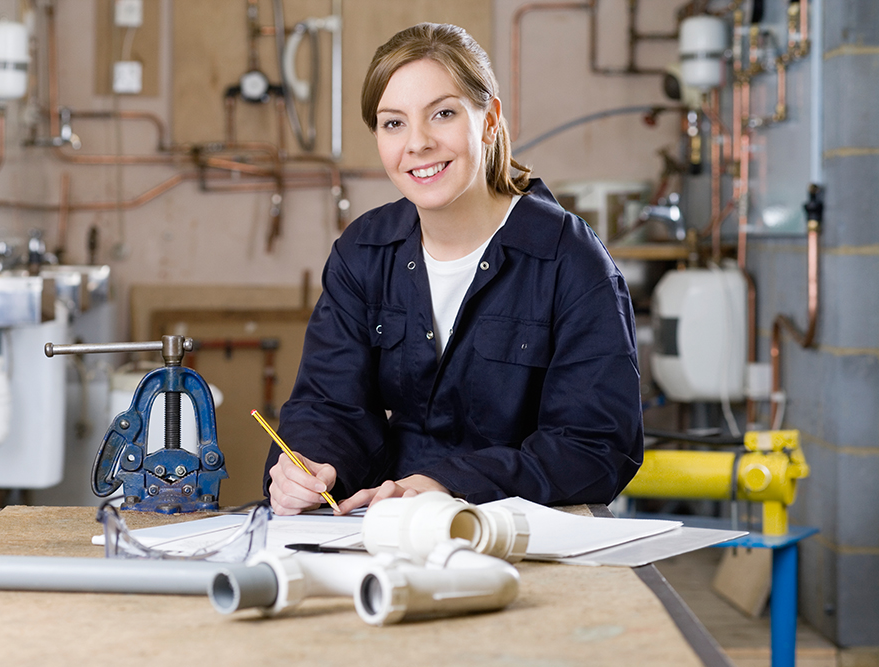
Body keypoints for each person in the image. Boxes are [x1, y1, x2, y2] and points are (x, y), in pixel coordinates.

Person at [264, 22, 642, 515]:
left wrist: (446, 483)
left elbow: (595, 447)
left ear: (489, 121)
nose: (416, 144)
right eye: (393, 123)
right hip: (389, 526)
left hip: (529, 530)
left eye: (442, 114)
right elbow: (328, 404)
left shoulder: (569, 260)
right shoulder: (364, 251)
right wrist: (312, 466)